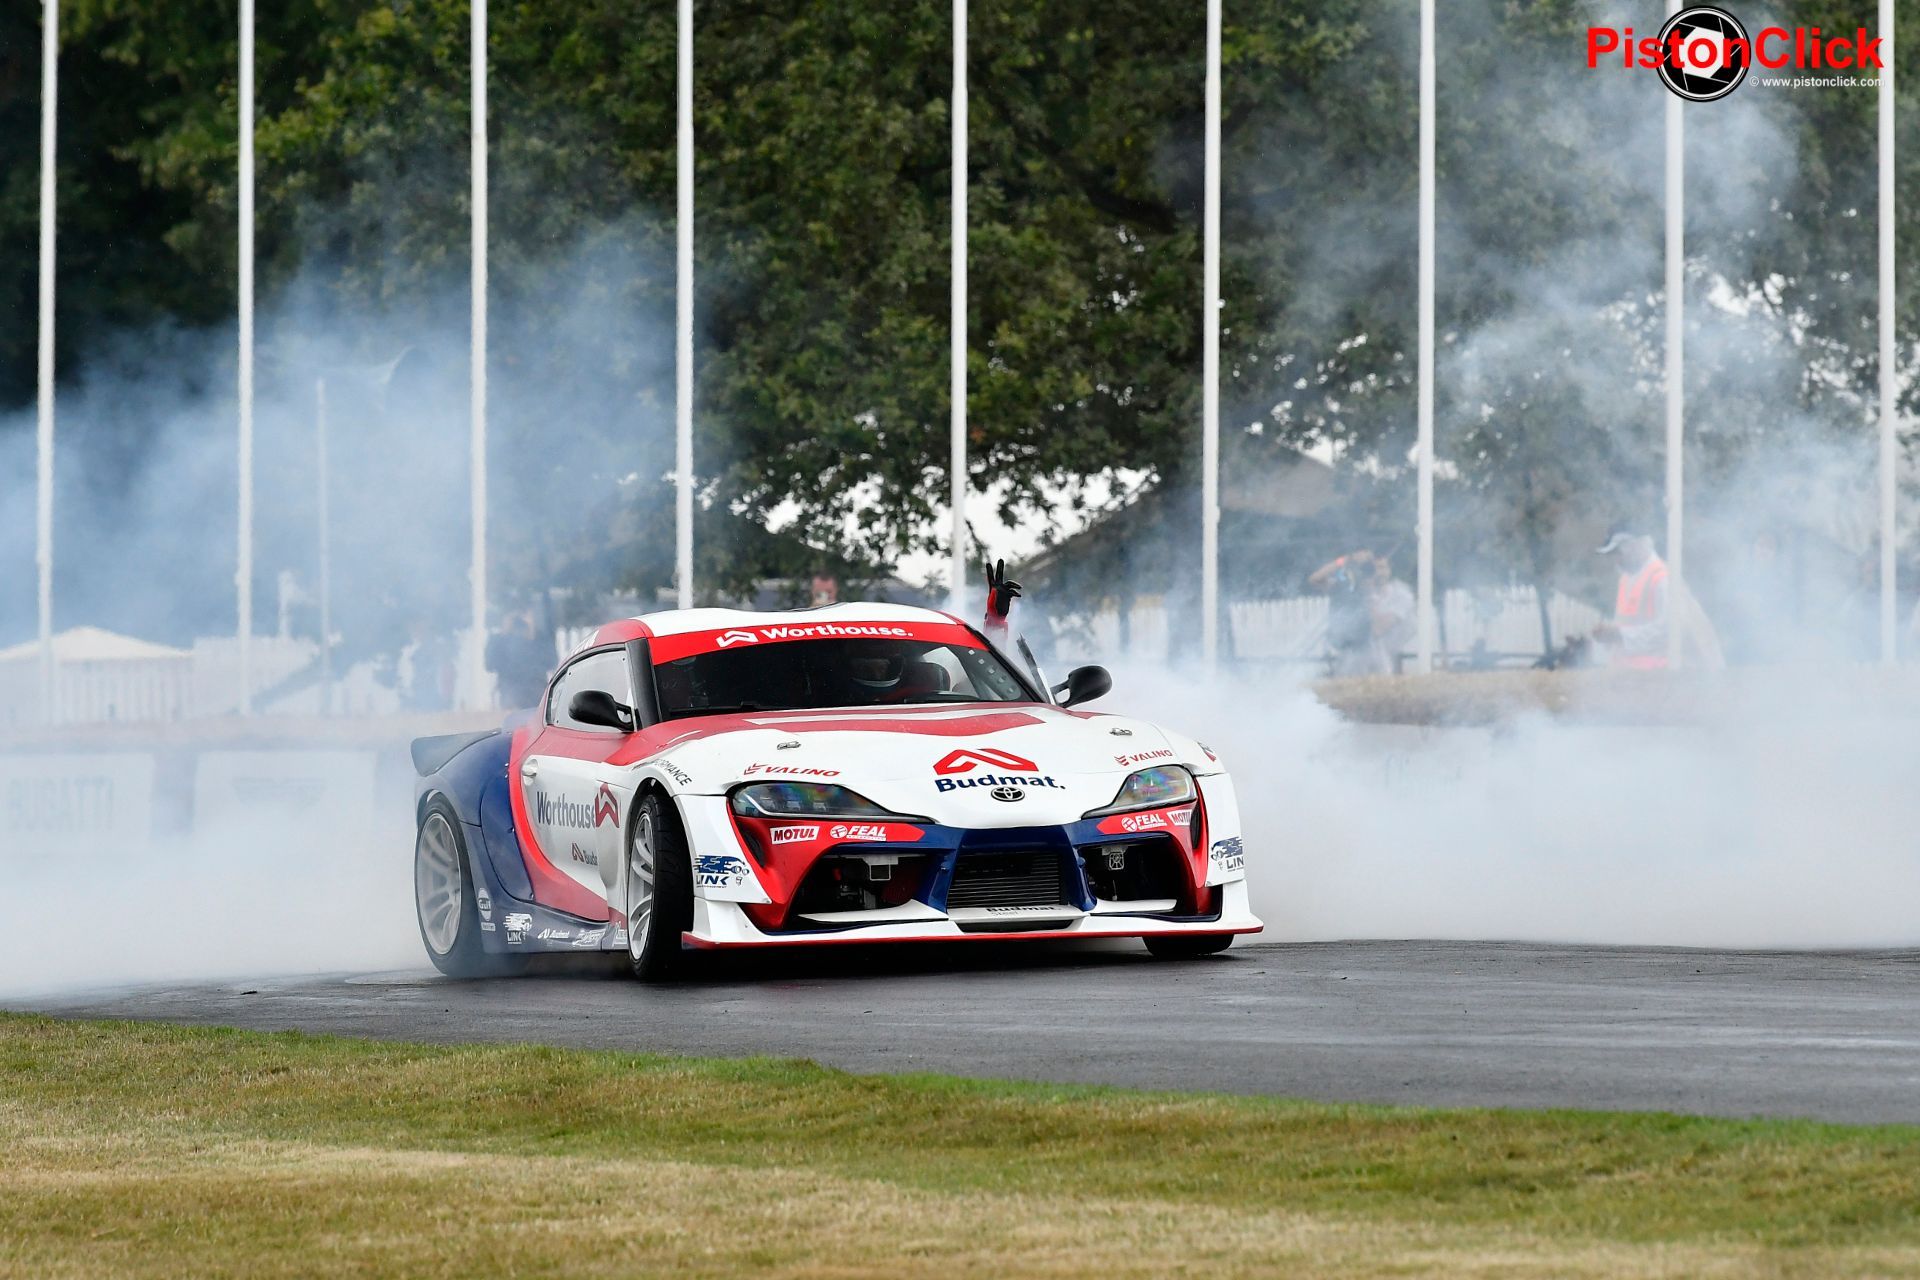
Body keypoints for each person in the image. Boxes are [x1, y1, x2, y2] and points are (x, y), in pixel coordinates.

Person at [1309, 549, 1415, 676]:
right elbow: (1315, 579)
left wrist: (1368, 596)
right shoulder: (1352, 591)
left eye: (1382, 568)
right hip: (1348, 669)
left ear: (1389, 570)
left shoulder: (1400, 595)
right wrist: (1347, 559)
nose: (1378, 573)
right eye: (1373, 569)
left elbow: (1377, 629)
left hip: (1382, 669)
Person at [1590, 524, 1669, 669]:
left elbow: (1667, 631)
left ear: (1633, 547)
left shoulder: (1662, 578)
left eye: (1618, 553)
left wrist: (1620, 635)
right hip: (1627, 675)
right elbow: (1625, 624)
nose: (1616, 560)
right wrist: (1610, 636)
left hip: (1654, 676)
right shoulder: (1626, 578)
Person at [486, 608, 554, 710]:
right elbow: (490, 665)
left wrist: (532, 635)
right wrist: (504, 635)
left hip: (536, 692)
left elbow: (551, 662)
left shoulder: (541, 638)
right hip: (509, 691)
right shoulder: (498, 640)